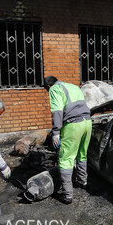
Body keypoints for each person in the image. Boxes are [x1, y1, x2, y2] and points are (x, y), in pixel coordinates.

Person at [44, 75, 92, 204]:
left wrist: (56, 132)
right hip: (87, 122)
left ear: (48, 86)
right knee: (82, 153)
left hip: (73, 125)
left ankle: (67, 195)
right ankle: (83, 181)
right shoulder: (73, 86)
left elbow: (57, 111)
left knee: (66, 159)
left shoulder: (54, 89)